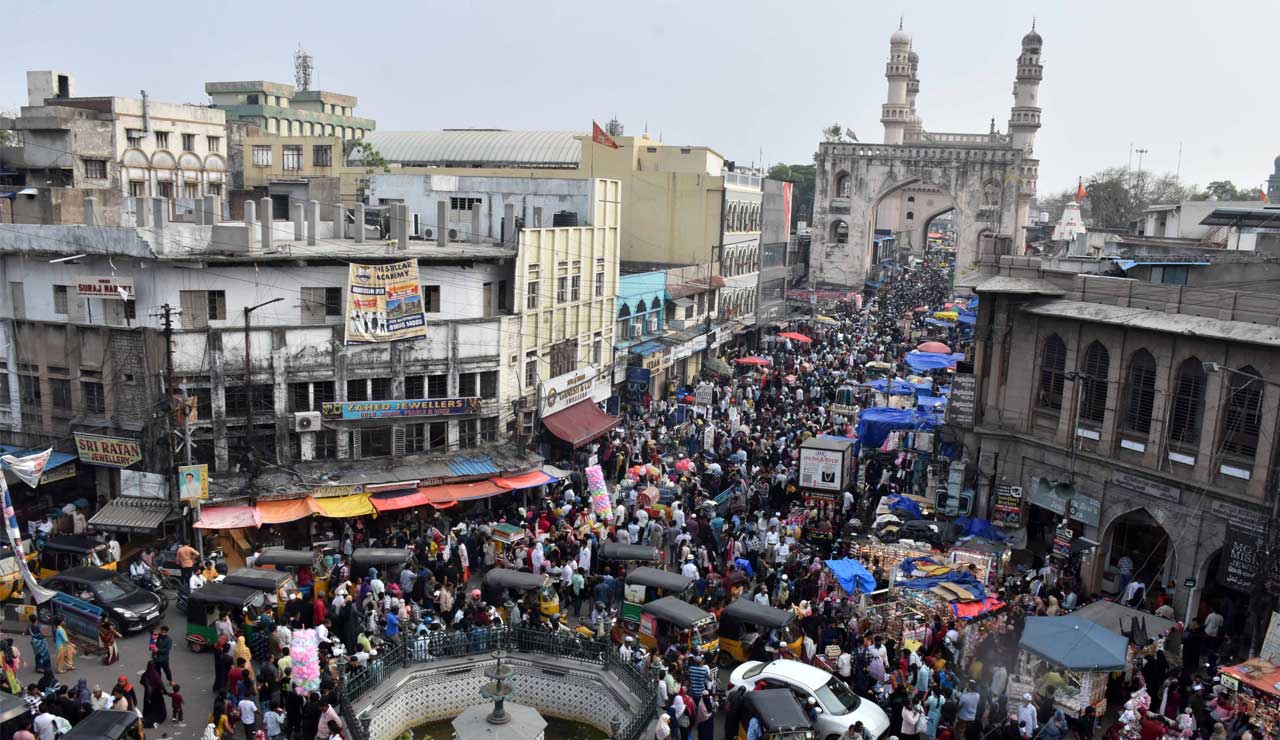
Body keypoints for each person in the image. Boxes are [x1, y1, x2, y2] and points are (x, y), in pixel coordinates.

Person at [141, 658, 168, 728]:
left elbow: (141, 682)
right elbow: (160, 684)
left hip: (147, 694)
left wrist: (146, 686)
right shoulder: (156, 675)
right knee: (158, 707)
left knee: (148, 707)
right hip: (156, 694)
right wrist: (165, 692)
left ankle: (147, 717)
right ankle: (158, 717)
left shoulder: (145, 674)